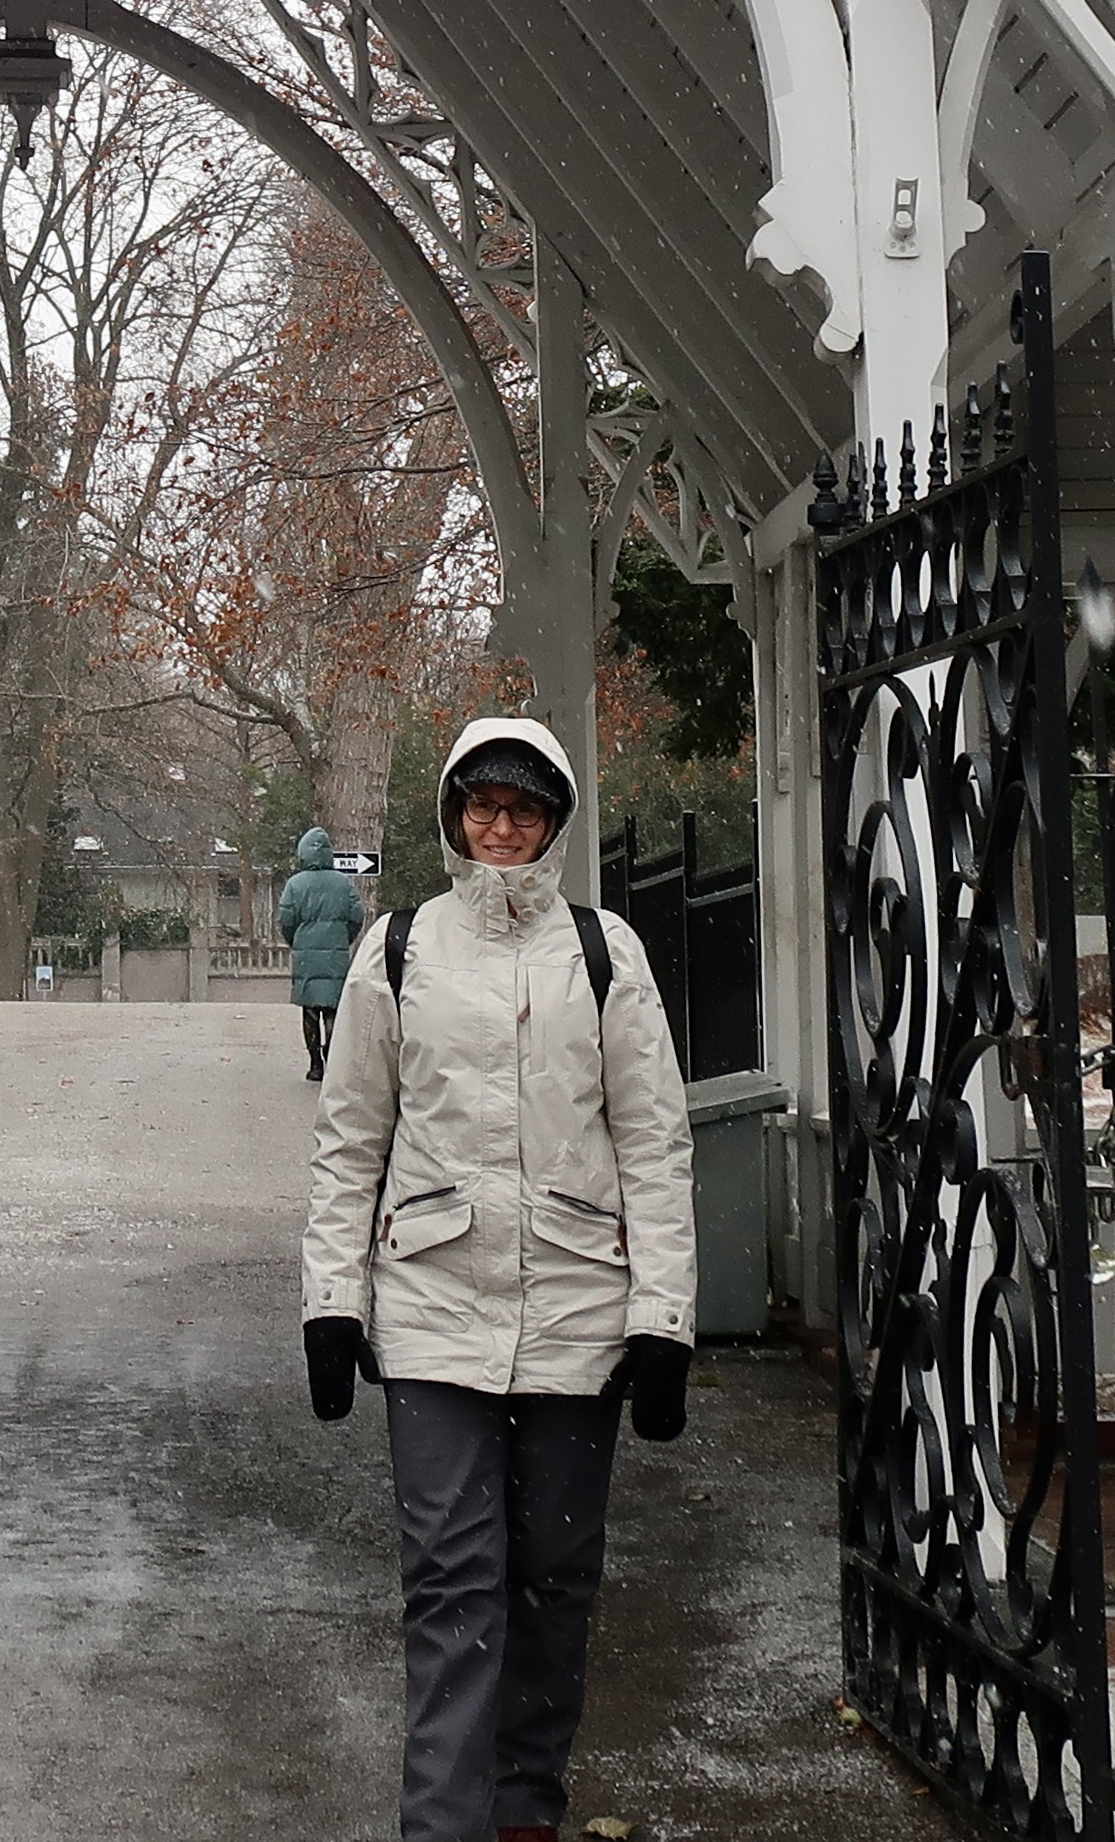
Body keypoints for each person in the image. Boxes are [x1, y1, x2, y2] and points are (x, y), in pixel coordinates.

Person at [301, 717, 697, 1842]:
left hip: (578, 1317)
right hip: (432, 1314)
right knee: (451, 1586)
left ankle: (525, 1817)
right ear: (454, 816)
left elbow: (654, 1146)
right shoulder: (399, 949)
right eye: (483, 806)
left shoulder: (604, 953)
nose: (501, 827)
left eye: (523, 809)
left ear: (555, 821)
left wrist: (663, 1322)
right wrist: (333, 1305)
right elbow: (350, 1141)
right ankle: (441, 1828)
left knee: (554, 1584)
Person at [281, 823, 363, 1080]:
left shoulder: (295, 884)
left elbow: (286, 919)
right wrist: (343, 938)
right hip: (335, 954)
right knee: (333, 1009)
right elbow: (356, 916)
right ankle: (332, 1057)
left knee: (309, 1010)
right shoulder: (343, 883)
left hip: (305, 954)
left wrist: (296, 940)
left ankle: (315, 1063)